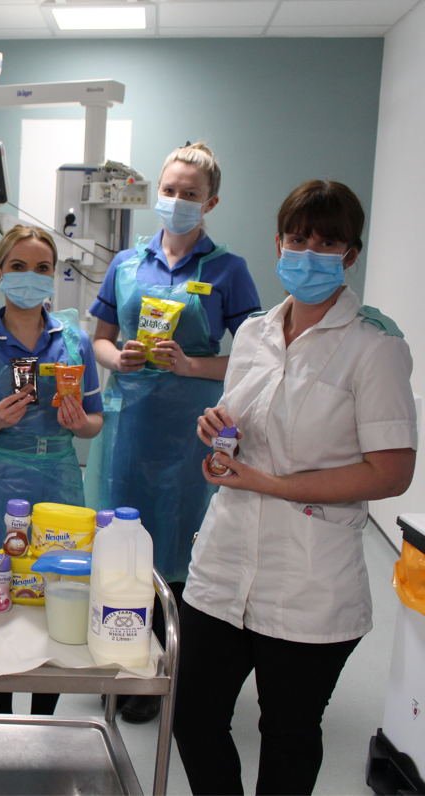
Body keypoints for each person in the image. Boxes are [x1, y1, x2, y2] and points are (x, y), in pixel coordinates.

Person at [175, 180, 416, 796]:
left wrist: (275, 484)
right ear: (278, 241)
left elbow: (392, 471)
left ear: (350, 254)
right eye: (297, 239)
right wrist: (218, 435)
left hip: (310, 579)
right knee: (194, 718)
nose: (307, 254)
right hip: (224, 566)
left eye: (326, 243)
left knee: (288, 733)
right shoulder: (255, 331)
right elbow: (242, 425)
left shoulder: (375, 346)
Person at [83, 143, 261, 723]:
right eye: (170, 189)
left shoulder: (228, 270)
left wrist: (193, 366)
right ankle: (122, 656)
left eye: (190, 192)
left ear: (211, 201)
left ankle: (170, 668)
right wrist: (118, 358)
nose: (177, 200)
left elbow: (253, 358)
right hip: (130, 419)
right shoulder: (127, 263)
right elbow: (100, 337)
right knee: (122, 539)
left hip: (191, 423)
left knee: (183, 539)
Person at [0, 224, 103, 716]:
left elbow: (95, 424)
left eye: (42, 269)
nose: (29, 277)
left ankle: (43, 719)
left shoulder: (75, 344)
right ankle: (2, 716)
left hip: (57, 484)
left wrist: (79, 423)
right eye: (18, 267)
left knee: (57, 597)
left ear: (54, 278)